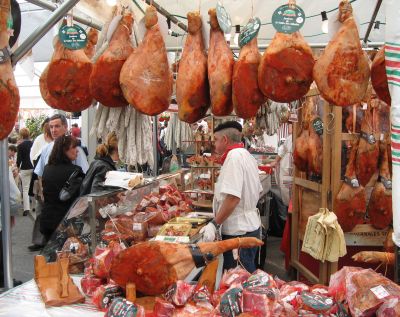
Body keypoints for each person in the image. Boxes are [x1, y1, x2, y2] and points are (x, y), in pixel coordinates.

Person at [200, 121, 263, 273]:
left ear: (225, 140)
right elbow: (257, 191)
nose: (214, 144)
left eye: (215, 139)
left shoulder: (234, 158)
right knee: (245, 277)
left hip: (239, 232)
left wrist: (214, 224)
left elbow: (233, 198)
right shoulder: (246, 155)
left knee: (237, 282)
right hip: (249, 227)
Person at [29, 114, 88, 251]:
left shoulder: (77, 149)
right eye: (51, 127)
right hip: (65, 217)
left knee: (54, 254)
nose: (53, 130)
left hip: (53, 215)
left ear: (65, 127)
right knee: (66, 254)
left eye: (57, 126)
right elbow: (84, 183)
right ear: (66, 150)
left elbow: (42, 174)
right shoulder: (47, 149)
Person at [40, 135, 84, 243]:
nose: (77, 151)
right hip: (67, 223)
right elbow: (81, 198)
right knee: (66, 257)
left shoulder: (47, 169)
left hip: (48, 219)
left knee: (49, 256)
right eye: (74, 147)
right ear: (65, 150)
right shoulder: (75, 171)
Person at [270, 124, 293, 206]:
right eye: (290, 125)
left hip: (289, 172)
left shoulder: (293, 137)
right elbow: (282, 151)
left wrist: (276, 161)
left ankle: (288, 213)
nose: (289, 127)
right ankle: (287, 214)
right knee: (287, 194)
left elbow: (282, 151)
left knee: (289, 194)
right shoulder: (290, 138)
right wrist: (276, 161)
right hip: (287, 171)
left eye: (291, 125)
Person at [16, 128, 34, 216]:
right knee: (34, 187)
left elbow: (19, 159)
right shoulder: (33, 144)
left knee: (25, 189)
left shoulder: (20, 146)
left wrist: (17, 166)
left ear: (21, 135)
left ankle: (26, 208)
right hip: (34, 167)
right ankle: (35, 206)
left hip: (25, 168)